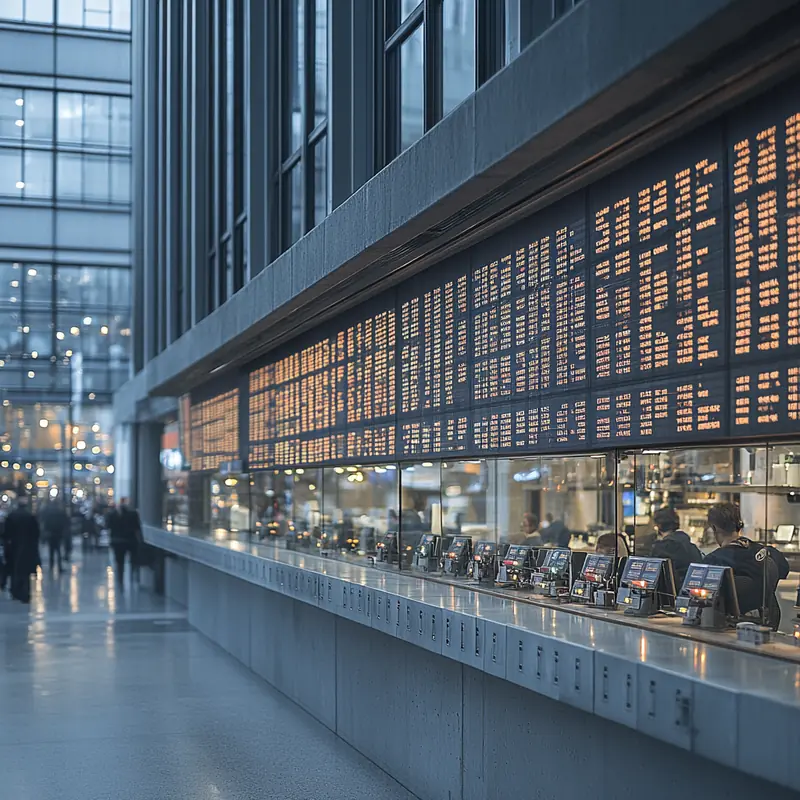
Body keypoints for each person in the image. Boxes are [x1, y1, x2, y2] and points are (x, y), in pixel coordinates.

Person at [703, 502, 790, 628]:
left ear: (714, 528)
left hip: (730, 630)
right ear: (739, 525)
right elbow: (783, 570)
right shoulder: (769, 553)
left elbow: (701, 603)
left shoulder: (713, 561)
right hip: (767, 625)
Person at [650, 507, 703, 591]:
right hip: (692, 595)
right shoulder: (692, 547)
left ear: (658, 526)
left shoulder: (661, 548)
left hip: (671, 597)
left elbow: (652, 578)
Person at [4, 495, 41, 603]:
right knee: (26, 571)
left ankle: (15, 591)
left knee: (14, 568)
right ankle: (26, 592)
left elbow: (6, 533)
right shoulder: (30, 516)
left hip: (13, 546)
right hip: (28, 546)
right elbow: (36, 533)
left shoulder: (11, 516)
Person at [106, 497, 142, 591]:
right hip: (130, 541)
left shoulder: (112, 514)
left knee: (119, 562)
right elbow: (137, 528)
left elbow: (108, 526)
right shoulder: (133, 514)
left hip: (117, 541)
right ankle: (134, 577)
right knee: (133, 560)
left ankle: (120, 580)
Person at [39, 500, 69, 573]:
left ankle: (51, 566)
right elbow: (65, 522)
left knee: (51, 551)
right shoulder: (60, 512)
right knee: (58, 551)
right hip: (58, 534)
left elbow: (45, 523)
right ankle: (59, 567)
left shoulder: (49, 513)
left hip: (51, 534)